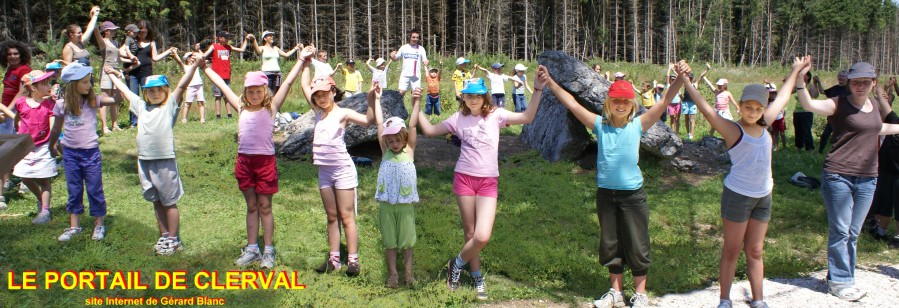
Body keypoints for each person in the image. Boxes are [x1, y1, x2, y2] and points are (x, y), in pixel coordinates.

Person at [542, 60, 679, 308]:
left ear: (632, 105)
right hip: (606, 194)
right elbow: (572, 104)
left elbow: (662, 103)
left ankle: (640, 294)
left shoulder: (638, 125)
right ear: (608, 103)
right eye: (616, 100)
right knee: (610, 243)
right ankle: (615, 292)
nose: (620, 105)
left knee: (637, 243)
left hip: (633, 196)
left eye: (626, 101)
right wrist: (550, 82)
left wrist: (679, 79)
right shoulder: (599, 125)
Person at [680, 58, 805, 308]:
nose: (753, 112)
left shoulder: (765, 122)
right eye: (748, 107)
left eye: (758, 108)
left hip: (763, 196)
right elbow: (706, 108)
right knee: (732, 250)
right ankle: (725, 300)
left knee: (756, 251)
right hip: (738, 196)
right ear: (741, 106)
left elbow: (781, 98)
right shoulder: (732, 130)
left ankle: (758, 299)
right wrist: (685, 79)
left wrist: (795, 71)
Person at [418, 76, 544, 300]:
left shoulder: (496, 114)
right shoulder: (458, 118)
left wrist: (537, 90)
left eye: (477, 95)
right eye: (469, 95)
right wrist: (416, 104)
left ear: (484, 95)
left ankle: (455, 265)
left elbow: (527, 116)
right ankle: (476, 275)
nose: (473, 99)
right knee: (470, 233)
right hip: (464, 178)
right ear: (463, 97)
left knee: (482, 236)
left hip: (488, 181)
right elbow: (428, 130)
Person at [795, 60, 899, 301]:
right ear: (850, 83)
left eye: (866, 81)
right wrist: (800, 79)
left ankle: (842, 277)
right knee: (841, 230)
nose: (861, 86)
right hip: (838, 175)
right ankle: (841, 282)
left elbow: (876, 128)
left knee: (853, 232)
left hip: (868, 178)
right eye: (856, 82)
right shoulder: (838, 103)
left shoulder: (873, 105)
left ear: (874, 83)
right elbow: (808, 104)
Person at [203, 46, 307, 269]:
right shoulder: (240, 107)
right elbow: (221, 84)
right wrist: (204, 67)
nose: (254, 95)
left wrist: (301, 60)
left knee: (265, 207)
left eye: (259, 91)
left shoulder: (271, 109)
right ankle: (252, 249)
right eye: (250, 91)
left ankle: (268, 251)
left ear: (265, 91)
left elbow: (287, 82)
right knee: (251, 206)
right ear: (245, 93)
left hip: (265, 163)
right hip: (244, 162)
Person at [105, 54, 200, 255]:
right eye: (150, 91)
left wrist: (193, 67)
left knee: (168, 201)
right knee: (156, 201)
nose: (155, 94)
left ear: (165, 91)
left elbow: (182, 86)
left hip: (164, 161)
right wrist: (113, 76)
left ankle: (174, 240)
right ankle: (164, 236)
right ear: (145, 93)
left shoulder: (169, 106)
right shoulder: (141, 107)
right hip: (144, 162)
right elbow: (124, 91)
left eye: (159, 90)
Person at [299, 45, 375, 277]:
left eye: (325, 93)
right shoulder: (318, 112)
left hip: (342, 170)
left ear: (333, 91)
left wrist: (372, 97)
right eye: (317, 95)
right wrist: (305, 62)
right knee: (331, 217)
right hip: (324, 172)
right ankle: (334, 259)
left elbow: (369, 120)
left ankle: (353, 260)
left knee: (346, 216)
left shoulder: (343, 113)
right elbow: (304, 85)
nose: (321, 98)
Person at [49, 63, 118, 242]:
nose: (89, 85)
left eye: (89, 81)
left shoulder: (93, 101)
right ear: (73, 84)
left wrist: (117, 78)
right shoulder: (61, 105)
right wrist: (52, 145)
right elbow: (56, 129)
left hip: (90, 153)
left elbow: (116, 99)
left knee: (95, 188)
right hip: (70, 154)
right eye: (85, 82)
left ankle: (99, 224)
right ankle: (74, 227)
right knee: (74, 189)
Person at [372, 85, 421, 288]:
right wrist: (376, 100)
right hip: (387, 206)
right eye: (389, 140)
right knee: (390, 242)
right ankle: (393, 274)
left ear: (404, 138)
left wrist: (415, 102)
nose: (393, 143)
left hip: (405, 206)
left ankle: (408, 274)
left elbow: (413, 125)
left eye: (396, 139)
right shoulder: (385, 152)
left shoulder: (409, 150)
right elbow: (379, 124)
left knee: (407, 243)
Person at [2, 70, 57, 221]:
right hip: (25, 147)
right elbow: (18, 118)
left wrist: (53, 143)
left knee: (44, 179)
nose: (49, 86)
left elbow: (53, 126)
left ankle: (45, 210)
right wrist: (18, 129)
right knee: (25, 177)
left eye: (49, 82)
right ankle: (40, 199)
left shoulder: (49, 103)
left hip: (43, 146)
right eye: (44, 83)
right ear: (33, 88)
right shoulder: (21, 103)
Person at [0, 40, 33, 209]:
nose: (12, 57)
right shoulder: (10, 70)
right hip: (4, 112)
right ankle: (6, 180)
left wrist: (7, 110)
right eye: (9, 54)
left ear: (21, 55)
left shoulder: (24, 70)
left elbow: (22, 92)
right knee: (4, 147)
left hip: (12, 112)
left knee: (13, 146)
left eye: (15, 54)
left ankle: (24, 181)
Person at [128, 20, 177, 127]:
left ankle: (150, 117)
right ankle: (133, 122)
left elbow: (155, 58)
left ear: (148, 31)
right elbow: (123, 52)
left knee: (148, 95)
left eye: (145, 32)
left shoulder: (151, 43)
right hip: (133, 73)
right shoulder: (131, 41)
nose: (142, 34)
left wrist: (168, 51)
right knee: (133, 96)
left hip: (146, 73)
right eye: (140, 31)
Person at [868, 84, 899, 245]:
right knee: (884, 202)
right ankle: (881, 231)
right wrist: (879, 93)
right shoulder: (895, 122)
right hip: (887, 171)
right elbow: (887, 110)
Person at [93, 20, 131, 134]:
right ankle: (104, 127)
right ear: (106, 31)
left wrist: (131, 60)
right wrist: (94, 20)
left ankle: (115, 124)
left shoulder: (115, 43)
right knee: (105, 99)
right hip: (106, 71)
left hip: (116, 70)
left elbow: (119, 57)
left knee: (115, 99)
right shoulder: (103, 42)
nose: (115, 31)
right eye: (113, 30)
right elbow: (96, 32)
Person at [202, 30, 250, 119]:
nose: (228, 39)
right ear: (220, 38)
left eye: (228, 37)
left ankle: (229, 114)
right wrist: (199, 52)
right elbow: (205, 55)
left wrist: (246, 40)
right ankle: (218, 115)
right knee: (218, 96)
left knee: (227, 96)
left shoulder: (228, 47)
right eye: (226, 37)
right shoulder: (214, 46)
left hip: (226, 75)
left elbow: (241, 50)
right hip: (217, 76)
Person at [249, 31, 300, 95]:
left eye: (272, 35)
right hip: (267, 74)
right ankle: (267, 105)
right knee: (267, 94)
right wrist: (254, 40)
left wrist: (295, 48)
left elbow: (286, 55)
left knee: (277, 94)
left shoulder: (276, 48)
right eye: (269, 35)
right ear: (265, 38)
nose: (272, 37)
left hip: (277, 75)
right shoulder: (262, 48)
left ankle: (274, 105)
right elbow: (258, 51)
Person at [390, 29, 429, 96]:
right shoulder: (404, 47)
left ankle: (415, 107)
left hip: (416, 76)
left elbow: (425, 60)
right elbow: (395, 59)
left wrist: (426, 61)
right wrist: (391, 56)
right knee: (401, 93)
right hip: (405, 75)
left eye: (417, 37)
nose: (415, 39)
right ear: (409, 37)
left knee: (416, 94)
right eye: (413, 37)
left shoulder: (421, 48)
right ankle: (399, 106)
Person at [818, 70, 849, 153]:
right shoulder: (834, 88)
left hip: (844, 118)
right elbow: (822, 91)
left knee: (841, 137)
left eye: (843, 76)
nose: (841, 78)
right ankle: (820, 152)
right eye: (840, 76)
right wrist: (818, 82)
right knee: (825, 135)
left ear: (847, 78)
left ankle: (842, 153)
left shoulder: (849, 90)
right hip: (832, 117)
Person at [173, 50, 206, 123]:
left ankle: (202, 119)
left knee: (201, 102)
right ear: (187, 59)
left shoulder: (196, 66)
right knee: (188, 103)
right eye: (191, 56)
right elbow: (179, 62)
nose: (193, 58)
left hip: (199, 85)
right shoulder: (185, 67)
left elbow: (202, 57)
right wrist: (175, 54)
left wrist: (198, 50)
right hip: (190, 86)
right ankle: (184, 119)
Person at [792, 70, 820, 151]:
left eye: (804, 75)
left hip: (807, 112)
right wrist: (787, 82)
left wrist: (815, 84)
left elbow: (815, 95)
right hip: (797, 111)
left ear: (808, 77)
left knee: (806, 131)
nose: (802, 76)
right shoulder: (798, 86)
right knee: (798, 131)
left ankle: (809, 148)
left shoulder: (810, 86)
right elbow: (790, 92)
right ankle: (799, 147)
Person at [767, 85, 787, 151]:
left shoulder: (778, 101)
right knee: (775, 133)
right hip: (773, 120)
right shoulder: (768, 102)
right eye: (771, 93)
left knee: (782, 133)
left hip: (780, 118)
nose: (772, 95)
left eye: (773, 93)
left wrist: (784, 119)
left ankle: (784, 147)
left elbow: (783, 110)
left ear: (775, 94)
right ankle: (776, 146)